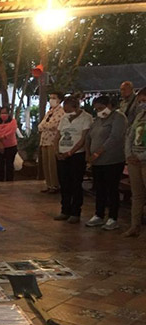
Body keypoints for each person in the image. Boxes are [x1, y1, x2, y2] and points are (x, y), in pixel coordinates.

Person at [85, 96, 128, 230]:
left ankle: (113, 217)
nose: (99, 111)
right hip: (97, 162)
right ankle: (99, 214)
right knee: (100, 188)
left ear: (109, 105)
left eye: (101, 108)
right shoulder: (98, 120)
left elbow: (115, 137)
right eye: (96, 109)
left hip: (112, 160)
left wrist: (98, 152)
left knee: (111, 189)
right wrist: (88, 154)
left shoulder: (118, 118)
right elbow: (89, 136)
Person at [53, 96, 93, 224]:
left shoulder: (86, 118)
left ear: (75, 107)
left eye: (68, 109)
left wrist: (70, 152)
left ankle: (75, 211)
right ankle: (65, 210)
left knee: (75, 183)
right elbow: (58, 135)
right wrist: (56, 151)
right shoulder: (64, 118)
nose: (66, 112)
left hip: (76, 155)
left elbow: (83, 138)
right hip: (62, 154)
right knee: (64, 183)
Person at [123, 87, 146, 237]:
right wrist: (129, 154)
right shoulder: (140, 116)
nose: (142, 104)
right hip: (134, 160)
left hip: (143, 160)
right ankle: (134, 226)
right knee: (137, 195)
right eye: (140, 102)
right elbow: (130, 136)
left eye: (144, 101)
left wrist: (141, 156)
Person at [38, 92, 66, 193]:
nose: (51, 100)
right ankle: (49, 184)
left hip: (53, 141)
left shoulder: (61, 112)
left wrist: (45, 126)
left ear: (59, 100)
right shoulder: (49, 112)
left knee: (52, 164)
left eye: (54, 98)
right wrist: (45, 126)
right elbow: (40, 126)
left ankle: (55, 185)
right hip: (44, 140)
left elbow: (53, 125)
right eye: (50, 98)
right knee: (45, 163)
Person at [0, 106, 18, 181]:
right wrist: (0, 144)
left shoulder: (13, 122)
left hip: (11, 147)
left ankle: (9, 184)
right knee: (0, 166)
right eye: (2, 113)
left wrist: (2, 137)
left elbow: (11, 132)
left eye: (5, 113)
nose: (3, 115)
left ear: (8, 114)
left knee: (9, 166)